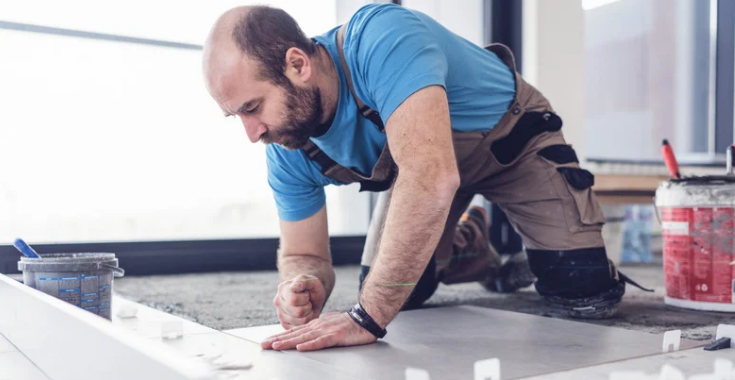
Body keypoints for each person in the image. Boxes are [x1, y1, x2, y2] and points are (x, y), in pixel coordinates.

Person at [202, 3, 629, 352]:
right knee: (401, 289)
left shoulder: (380, 38)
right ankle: (468, 249)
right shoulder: (287, 142)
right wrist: (304, 283)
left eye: (252, 107)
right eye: (236, 115)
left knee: (584, 293)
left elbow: (429, 177)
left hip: (512, 142)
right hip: (428, 169)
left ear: (297, 65)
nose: (251, 133)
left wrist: (366, 318)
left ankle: (563, 255)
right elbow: (304, 254)